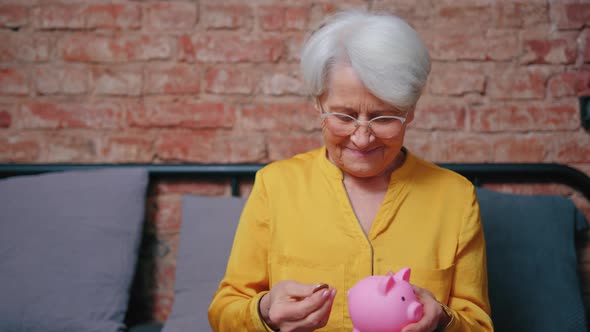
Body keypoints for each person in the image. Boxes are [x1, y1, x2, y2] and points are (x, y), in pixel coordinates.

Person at [209, 9, 493, 332]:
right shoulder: (275, 187)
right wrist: (264, 311)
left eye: (383, 118)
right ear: (318, 104)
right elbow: (224, 310)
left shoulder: (455, 198)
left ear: (410, 110)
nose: (361, 137)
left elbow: (479, 325)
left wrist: (442, 320)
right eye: (344, 117)